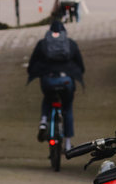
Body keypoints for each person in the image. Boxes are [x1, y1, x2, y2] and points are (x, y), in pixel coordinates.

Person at [27, 16, 86, 152]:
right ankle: (67, 143)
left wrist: (33, 72)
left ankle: (43, 121)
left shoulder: (42, 44)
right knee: (68, 107)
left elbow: (32, 63)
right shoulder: (70, 44)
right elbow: (81, 65)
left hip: (48, 80)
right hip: (66, 81)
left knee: (48, 98)